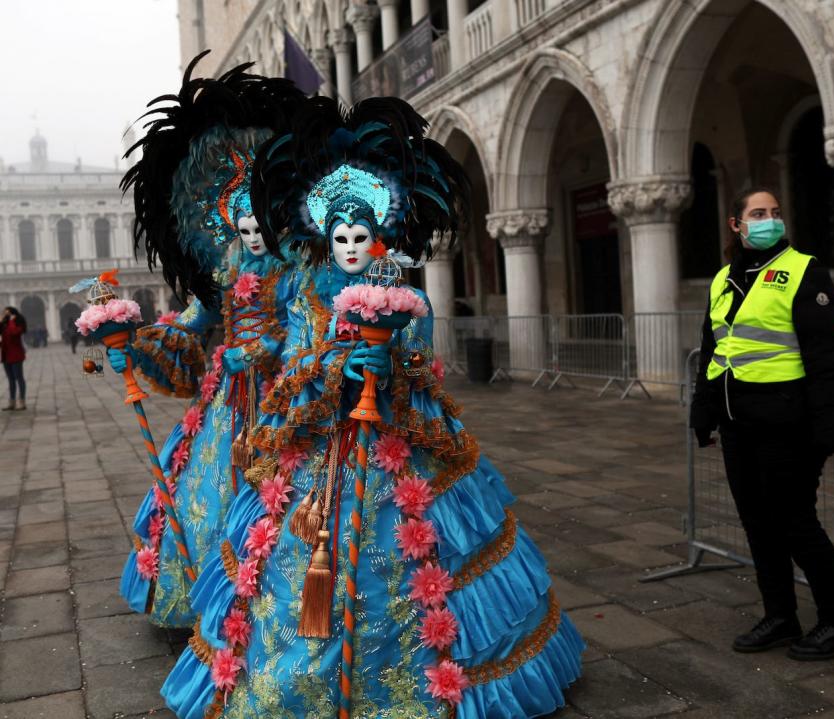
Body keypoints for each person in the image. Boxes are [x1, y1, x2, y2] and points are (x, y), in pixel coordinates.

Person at [162, 98, 583, 719]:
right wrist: (337, 368)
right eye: (340, 237)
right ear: (324, 237)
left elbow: (425, 375)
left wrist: (390, 367)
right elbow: (297, 371)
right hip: (319, 458)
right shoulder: (306, 298)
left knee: (423, 564)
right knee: (292, 571)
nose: (352, 246)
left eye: (362, 237)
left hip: (396, 452)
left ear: (378, 236)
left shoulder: (406, 297)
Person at [108, 53, 308, 629]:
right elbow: (195, 320)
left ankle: (259, 607)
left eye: (258, 229)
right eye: (241, 230)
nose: (250, 238)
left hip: (280, 391)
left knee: (279, 493)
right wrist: (138, 334)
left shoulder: (291, 269)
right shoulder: (224, 271)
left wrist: (271, 352)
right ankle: (204, 597)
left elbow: (302, 324)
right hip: (228, 397)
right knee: (206, 484)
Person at [691, 187, 834, 661]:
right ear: (736, 225)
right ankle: (781, 615)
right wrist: (702, 413)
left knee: (796, 524)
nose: (769, 220)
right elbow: (713, 350)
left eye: (775, 212)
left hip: (788, 425)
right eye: (758, 213)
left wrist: (829, 425)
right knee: (758, 524)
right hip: (736, 423)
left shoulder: (805, 270)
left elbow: (828, 356)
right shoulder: (723, 279)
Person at [1, 307, 27, 411]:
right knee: (10, 380)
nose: (6, 315)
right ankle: (12, 402)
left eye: (8, 313)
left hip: (16, 355)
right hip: (6, 356)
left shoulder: (18, 324)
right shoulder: (4, 325)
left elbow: (14, 333)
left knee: (19, 378)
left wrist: (12, 321)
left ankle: (22, 401)